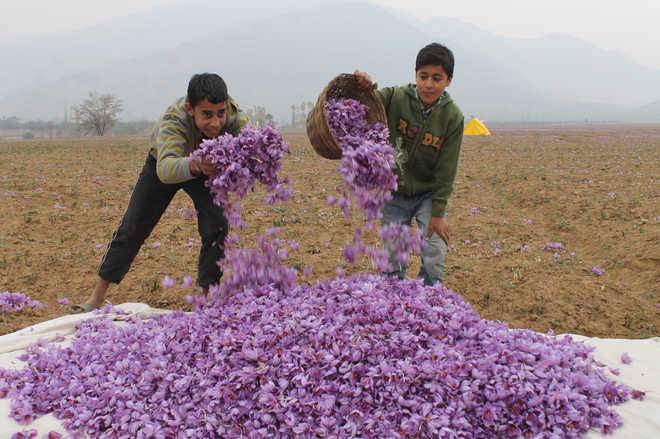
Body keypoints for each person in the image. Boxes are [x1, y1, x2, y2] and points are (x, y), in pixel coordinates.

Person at [69, 73, 248, 313]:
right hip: (165, 163)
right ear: (190, 108)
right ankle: (96, 298)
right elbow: (166, 170)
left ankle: (205, 300)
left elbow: (249, 143)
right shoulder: (174, 121)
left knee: (216, 226)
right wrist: (196, 164)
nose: (216, 123)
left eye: (220, 113)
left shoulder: (235, 118)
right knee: (133, 227)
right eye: (206, 114)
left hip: (206, 167)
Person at [355, 42, 464, 286]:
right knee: (393, 257)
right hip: (394, 192)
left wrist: (438, 213)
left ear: (448, 81)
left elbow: (447, 169)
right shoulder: (396, 98)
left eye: (437, 78)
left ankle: (430, 297)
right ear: (415, 75)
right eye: (423, 76)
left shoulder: (452, 117)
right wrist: (363, 86)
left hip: (427, 193)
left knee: (434, 252)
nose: (428, 84)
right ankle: (396, 301)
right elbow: (368, 101)